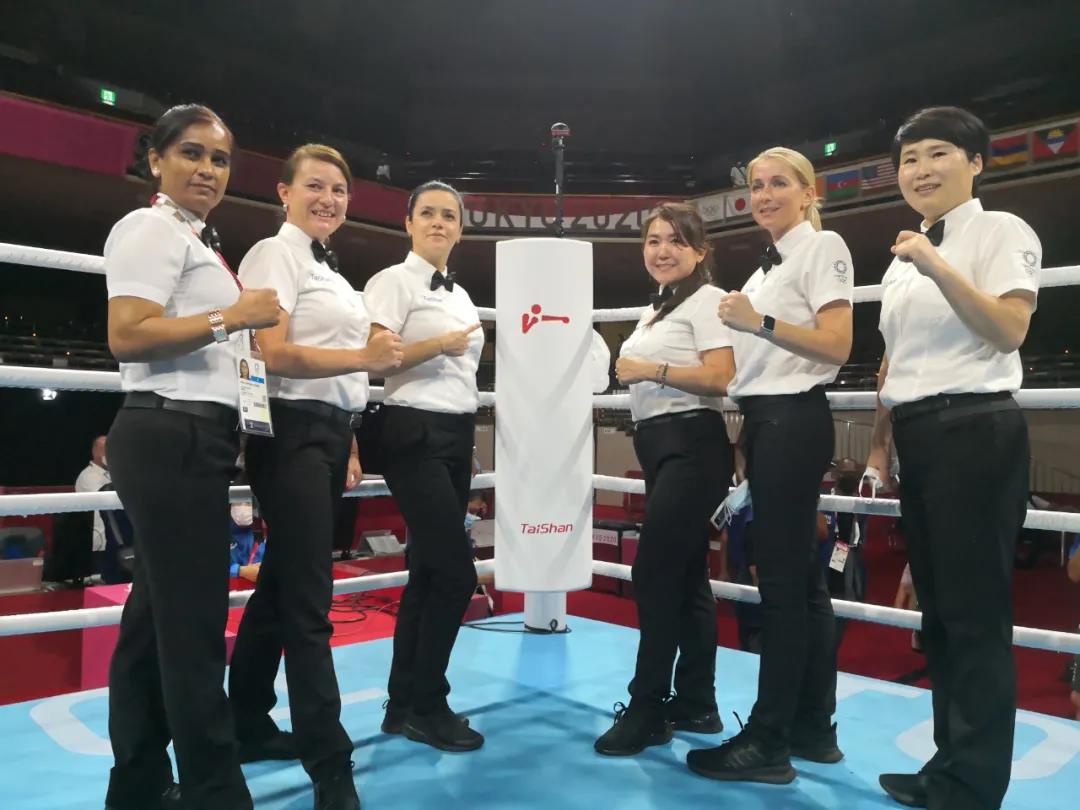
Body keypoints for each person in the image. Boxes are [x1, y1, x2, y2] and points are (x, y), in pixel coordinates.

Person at [103, 104, 280, 810]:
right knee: (194, 625)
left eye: (220, 159)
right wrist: (231, 316)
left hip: (189, 437)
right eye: (192, 153)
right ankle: (215, 791)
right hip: (168, 432)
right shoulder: (148, 228)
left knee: (155, 622)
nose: (208, 169)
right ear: (157, 159)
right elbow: (127, 333)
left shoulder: (194, 239)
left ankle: (139, 784)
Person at [869, 107, 1040, 810]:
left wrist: (936, 264)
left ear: (976, 163)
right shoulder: (902, 256)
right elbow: (896, 361)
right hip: (920, 435)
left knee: (973, 614)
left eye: (938, 153)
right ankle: (949, 767)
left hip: (974, 428)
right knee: (938, 615)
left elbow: (1008, 329)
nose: (921, 170)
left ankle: (974, 786)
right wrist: (879, 446)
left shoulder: (1001, 231)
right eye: (909, 159)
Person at [228, 144, 403, 809]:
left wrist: (349, 436)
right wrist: (363, 358)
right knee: (307, 600)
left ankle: (245, 722)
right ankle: (331, 764)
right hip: (289, 431)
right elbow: (272, 354)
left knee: (280, 587)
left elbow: (337, 368)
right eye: (315, 186)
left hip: (327, 433)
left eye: (339, 189)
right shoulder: (274, 253)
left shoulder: (327, 268)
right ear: (284, 191)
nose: (329, 198)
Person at [687, 146, 853, 783]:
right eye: (756, 185)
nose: (764, 194)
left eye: (779, 183)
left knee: (783, 589)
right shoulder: (769, 263)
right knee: (803, 585)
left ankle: (769, 741)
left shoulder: (822, 246)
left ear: (809, 193)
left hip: (791, 419)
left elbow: (837, 345)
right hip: (768, 421)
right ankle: (812, 727)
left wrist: (759, 321)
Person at [595, 202, 735, 756]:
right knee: (686, 577)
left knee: (652, 573)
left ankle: (648, 708)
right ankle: (698, 702)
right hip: (659, 444)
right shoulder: (656, 309)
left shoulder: (707, 300)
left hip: (691, 443)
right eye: (653, 240)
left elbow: (721, 376)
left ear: (699, 251)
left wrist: (650, 369)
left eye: (676, 241)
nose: (662, 250)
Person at [364, 180, 486, 752]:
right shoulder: (393, 280)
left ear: (460, 228)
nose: (439, 222)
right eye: (429, 213)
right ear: (408, 222)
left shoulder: (461, 295)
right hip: (413, 428)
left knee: (430, 573)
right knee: (457, 574)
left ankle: (402, 704)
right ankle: (428, 703)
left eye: (449, 216)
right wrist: (438, 345)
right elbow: (377, 358)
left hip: (456, 432)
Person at [74, 435, 110, 553]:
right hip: (100, 539)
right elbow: (106, 500)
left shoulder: (112, 473)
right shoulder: (88, 476)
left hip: (114, 534)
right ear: (95, 453)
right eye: (105, 452)